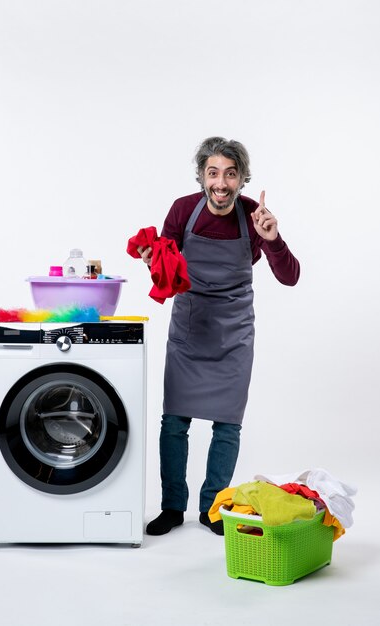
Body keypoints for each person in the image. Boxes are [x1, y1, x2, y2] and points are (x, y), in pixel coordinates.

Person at [138, 137, 300, 536]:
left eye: (231, 174)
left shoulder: (253, 217)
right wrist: (151, 260)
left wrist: (274, 239)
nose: (222, 183)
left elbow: (291, 277)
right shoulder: (182, 211)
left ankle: (213, 508)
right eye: (213, 173)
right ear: (202, 177)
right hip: (190, 328)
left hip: (234, 334)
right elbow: (167, 270)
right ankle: (172, 507)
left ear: (243, 178)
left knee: (227, 425)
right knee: (174, 420)